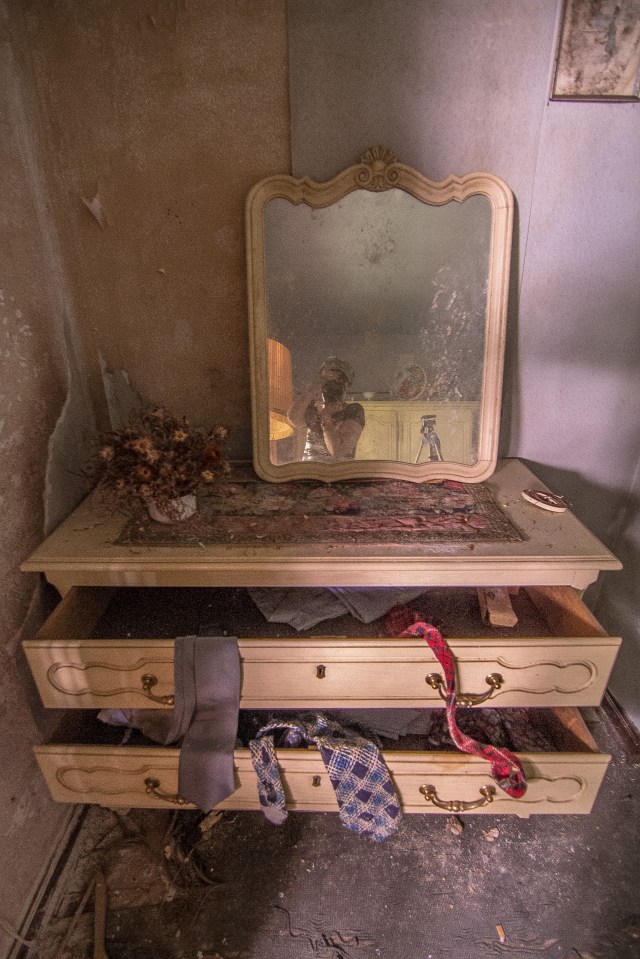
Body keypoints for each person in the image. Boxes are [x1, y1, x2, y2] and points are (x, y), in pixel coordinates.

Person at [288, 357, 365, 462]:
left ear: (346, 385)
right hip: (308, 474)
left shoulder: (353, 411)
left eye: (338, 382)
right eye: (328, 382)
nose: (333, 387)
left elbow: (338, 452)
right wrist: (313, 388)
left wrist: (326, 416)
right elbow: (294, 419)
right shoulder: (314, 409)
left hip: (339, 476)